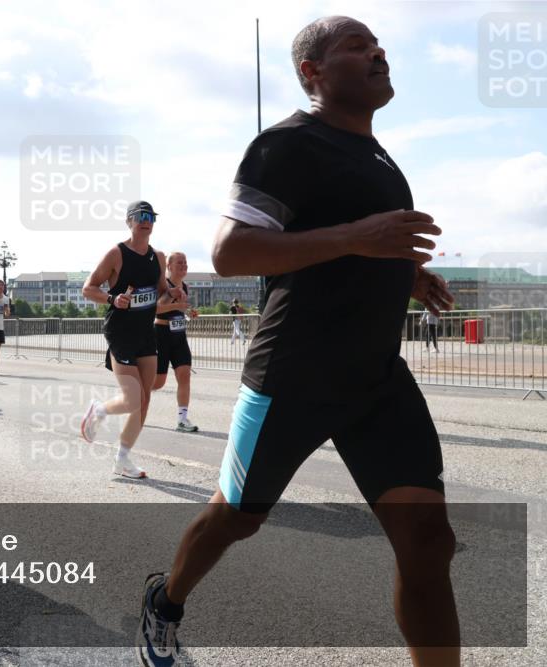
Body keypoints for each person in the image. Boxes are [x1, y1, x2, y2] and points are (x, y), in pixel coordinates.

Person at [135, 17, 458, 667]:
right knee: (238, 516)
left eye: (378, 44)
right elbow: (229, 252)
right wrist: (356, 238)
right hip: (294, 373)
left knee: (427, 541)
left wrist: (406, 272)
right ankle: (166, 599)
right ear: (312, 72)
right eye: (355, 46)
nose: (377, 52)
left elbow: (356, 244)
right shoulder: (285, 145)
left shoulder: (378, 156)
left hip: (375, 379)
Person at [80, 201, 180, 479]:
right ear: (129, 221)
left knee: (144, 400)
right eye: (140, 216)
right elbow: (88, 288)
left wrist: (173, 294)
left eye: (150, 217)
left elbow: (161, 291)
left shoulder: (158, 257)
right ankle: (99, 410)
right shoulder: (116, 253)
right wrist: (113, 298)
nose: (146, 221)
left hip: (145, 332)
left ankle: (122, 459)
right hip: (120, 332)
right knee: (133, 397)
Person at [153, 252, 200, 432]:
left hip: (179, 335)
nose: (184, 265)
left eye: (185, 262)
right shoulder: (166, 285)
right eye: (180, 262)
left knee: (184, 375)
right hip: (162, 334)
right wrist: (176, 306)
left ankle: (182, 419)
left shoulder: (185, 286)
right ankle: (134, 398)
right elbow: (157, 308)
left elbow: (179, 310)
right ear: (169, 266)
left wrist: (189, 313)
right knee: (158, 382)